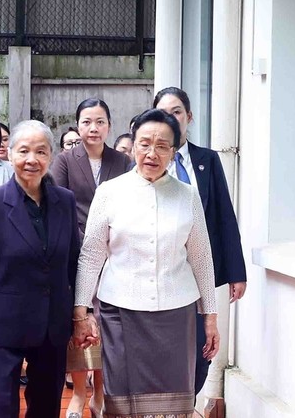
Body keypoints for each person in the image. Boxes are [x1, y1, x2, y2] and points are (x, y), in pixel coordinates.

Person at [72, 108, 220, 417]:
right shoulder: (110, 192)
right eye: (144, 143)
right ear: (133, 143)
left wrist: (210, 316)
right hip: (120, 310)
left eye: (162, 145)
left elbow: (201, 257)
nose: (152, 153)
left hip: (177, 312)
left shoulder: (187, 195)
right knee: (123, 397)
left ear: (174, 150)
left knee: (175, 399)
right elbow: (91, 255)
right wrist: (81, 311)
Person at [0, 120, 80, 417]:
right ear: (9, 155)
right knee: (0, 408)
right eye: (23, 151)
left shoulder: (65, 201)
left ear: (51, 156)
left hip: (52, 325)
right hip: (2, 326)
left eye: (40, 152)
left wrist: (81, 314)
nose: (32, 160)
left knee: (46, 407)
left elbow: (74, 264)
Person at [153, 87, 247, 397]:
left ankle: (184, 403)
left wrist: (236, 271)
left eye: (177, 111)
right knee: (163, 351)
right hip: (161, 273)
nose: (171, 118)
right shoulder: (147, 162)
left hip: (200, 273)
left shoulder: (207, 160)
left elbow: (224, 216)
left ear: (189, 117)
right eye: (164, 112)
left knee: (201, 352)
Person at [50, 98, 130, 417]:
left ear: (109, 125)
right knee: (79, 322)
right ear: (77, 125)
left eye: (99, 121)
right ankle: (80, 393)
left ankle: (100, 390)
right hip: (76, 254)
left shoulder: (122, 162)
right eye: (86, 121)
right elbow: (57, 204)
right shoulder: (65, 160)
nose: (93, 128)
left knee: (107, 324)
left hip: (114, 256)